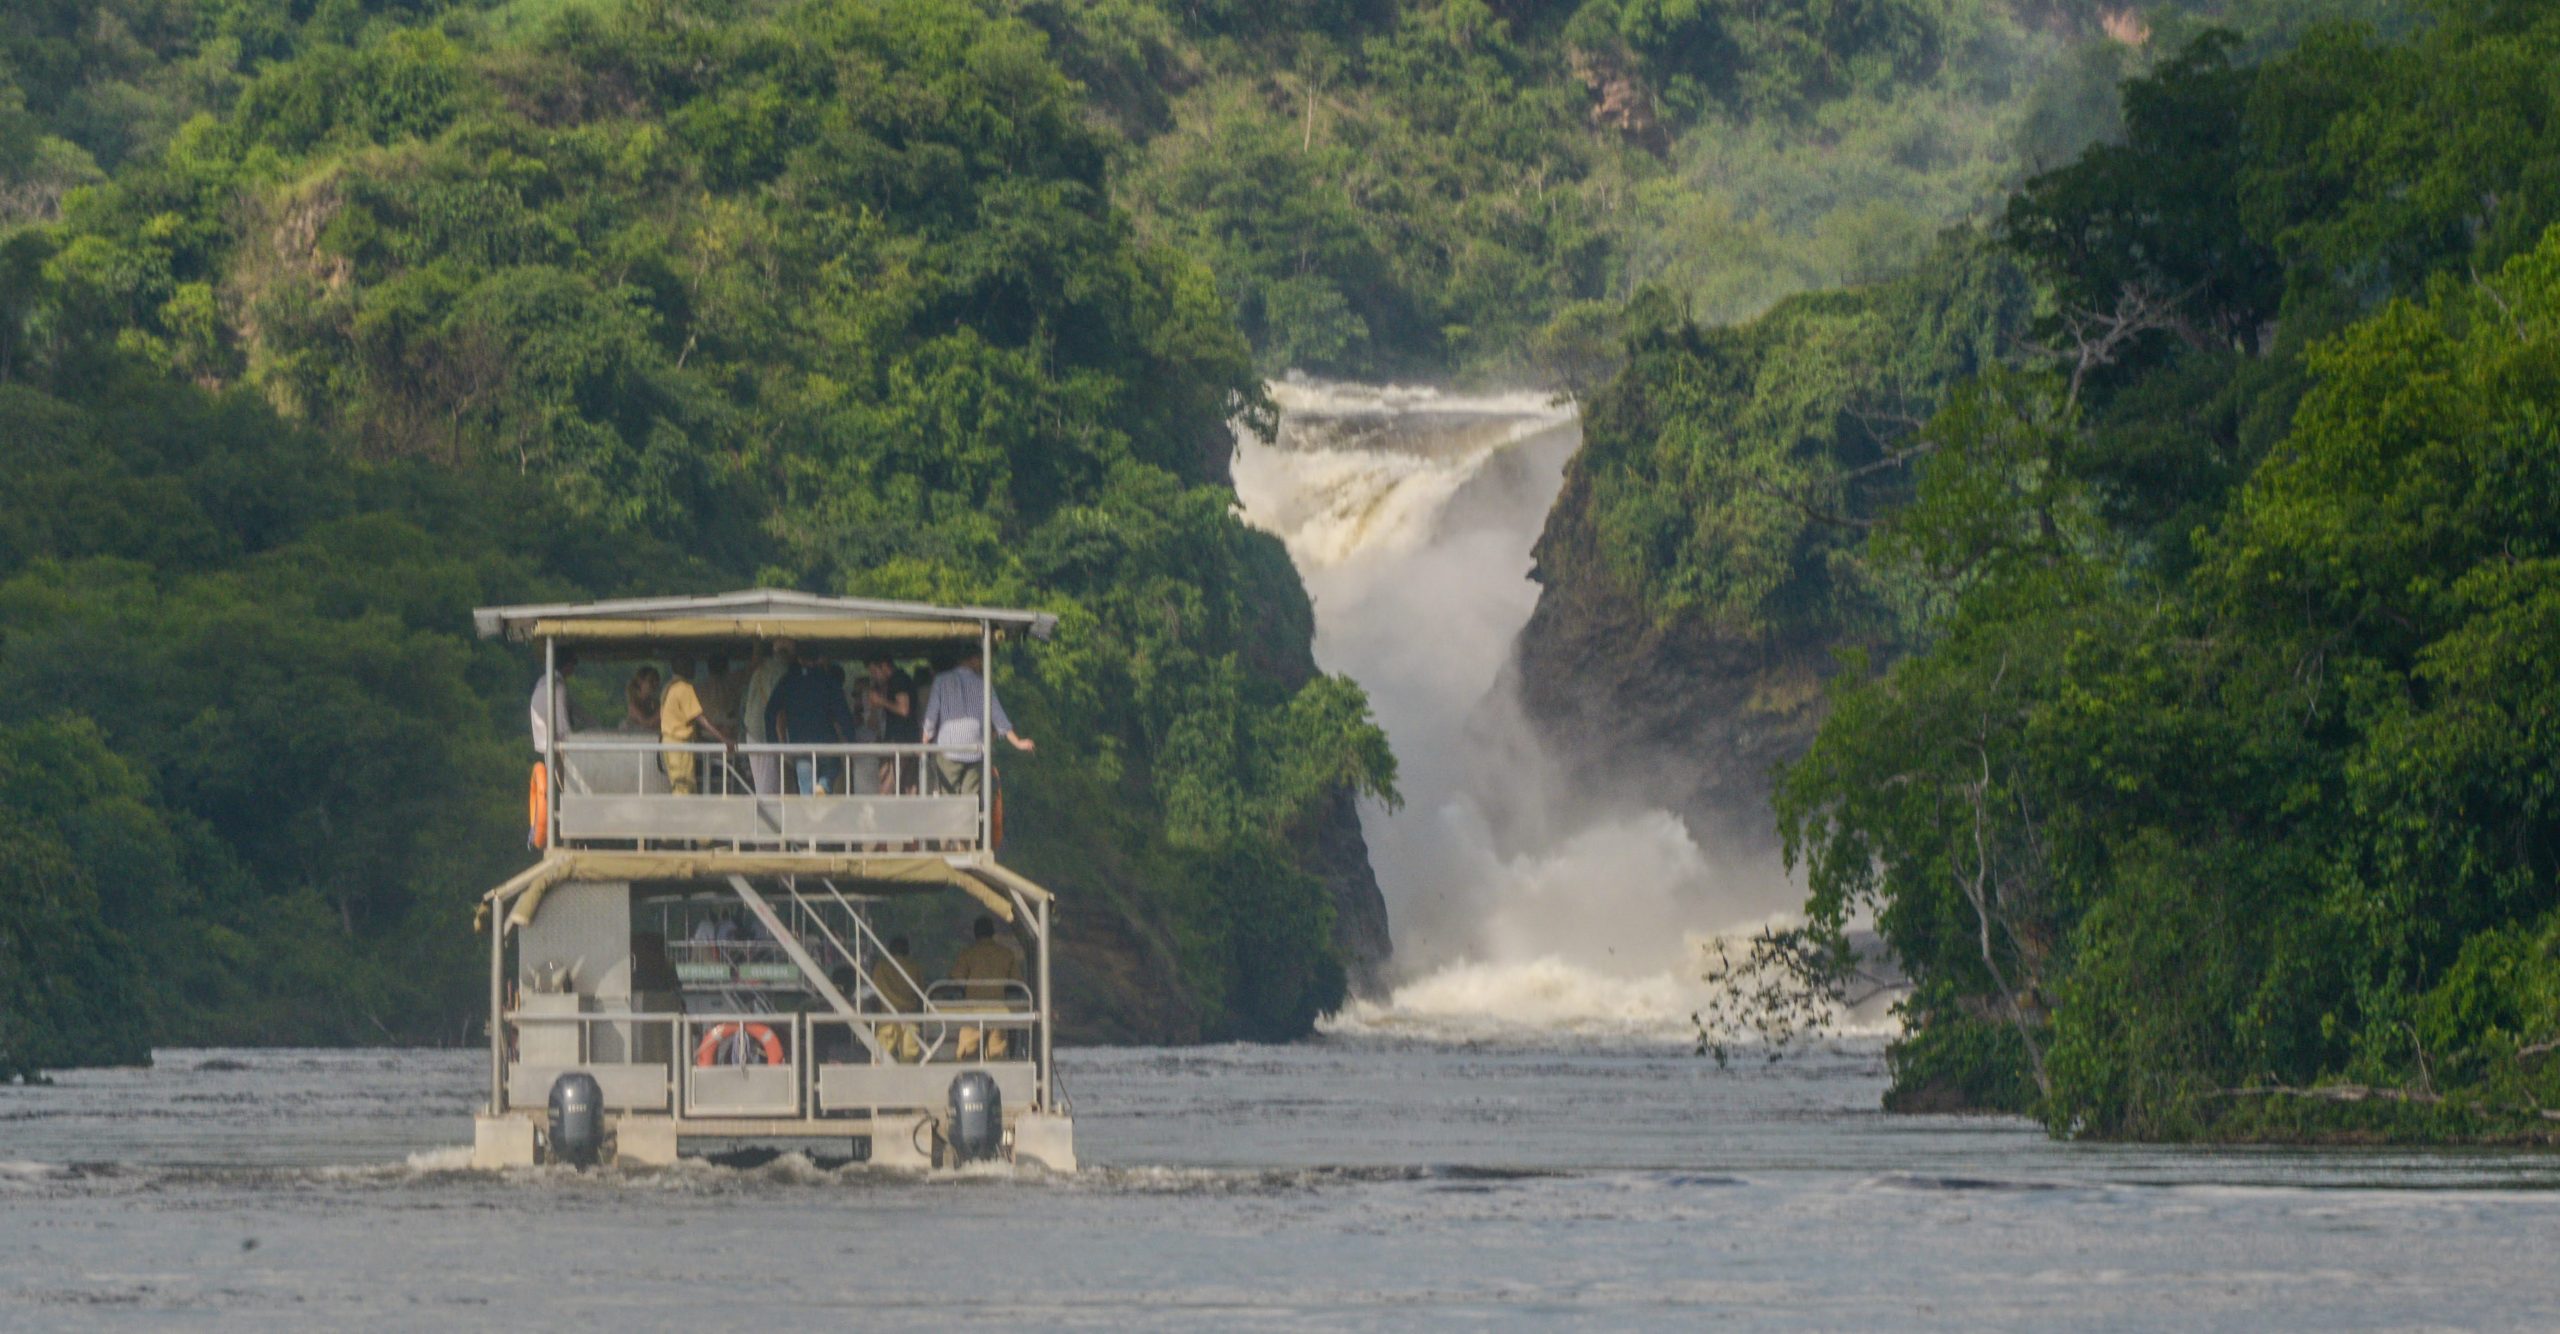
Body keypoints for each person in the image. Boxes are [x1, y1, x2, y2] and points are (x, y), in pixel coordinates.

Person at [920, 648, 1032, 797]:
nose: (981, 664)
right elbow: (998, 717)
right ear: (972, 659)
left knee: (947, 797)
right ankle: (969, 819)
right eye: (980, 659)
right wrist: (1017, 742)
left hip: (948, 748)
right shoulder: (983, 684)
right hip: (975, 749)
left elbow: (931, 715)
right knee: (970, 798)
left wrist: (924, 741)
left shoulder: (940, 680)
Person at [766, 651, 853, 794]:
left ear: (799, 658)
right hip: (826, 741)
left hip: (800, 743)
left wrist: (772, 741)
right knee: (832, 769)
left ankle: (808, 808)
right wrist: (851, 739)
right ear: (819, 659)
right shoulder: (828, 681)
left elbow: (770, 711)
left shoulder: (787, 681)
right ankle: (824, 786)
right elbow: (842, 713)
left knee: (805, 784)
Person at [948, 915, 1023, 1060]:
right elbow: (1017, 984)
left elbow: (956, 979)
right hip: (999, 1013)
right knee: (997, 1056)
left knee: (966, 1055)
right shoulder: (1006, 954)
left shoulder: (968, 954)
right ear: (992, 933)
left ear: (975, 933)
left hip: (973, 1012)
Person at [658, 656, 735, 795]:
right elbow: (700, 718)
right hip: (679, 744)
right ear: (682, 666)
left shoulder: (669, 686)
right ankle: (682, 816)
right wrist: (724, 739)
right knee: (684, 785)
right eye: (691, 664)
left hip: (668, 742)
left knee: (679, 784)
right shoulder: (684, 688)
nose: (694, 668)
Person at [857, 656, 916, 795]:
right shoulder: (895, 681)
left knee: (889, 784)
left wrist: (881, 701)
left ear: (884, 666)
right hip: (898, 740)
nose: (873, 676)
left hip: (901, 740)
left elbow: (903, 709)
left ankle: (886, 814)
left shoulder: (898, 680)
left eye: (874, 671)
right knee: (902, 784)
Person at [740, 641, 790, 797]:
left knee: (761, 782)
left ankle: (764, 816)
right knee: (771, 785)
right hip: (769, 734)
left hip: (752, 732)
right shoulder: (782, 671)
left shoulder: (758, 671)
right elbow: (779, 709)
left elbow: (744, 703)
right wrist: (782, 740)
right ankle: (769, 819)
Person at [528, 651, 591, 759]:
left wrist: (594, 725)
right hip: (556, 745)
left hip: (544, 743)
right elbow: (561, 723)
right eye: (573, 664)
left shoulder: (543, 684)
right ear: (568, 666)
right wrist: (569, 741)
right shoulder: (557, 688)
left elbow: (575, 709)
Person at [871, 935, 924, 1063]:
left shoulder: (880, 967)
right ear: (907, 950)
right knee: (909, 1059)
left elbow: (876, 990)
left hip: (887, 1019)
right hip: (909, 1018)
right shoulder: (914, 967)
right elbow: (921, 992)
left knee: (880, 1060)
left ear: (889, 950)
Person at [622, 666, 662, 732]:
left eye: (657, 681)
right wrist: (660, 714)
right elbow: (645, 723)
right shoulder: (634, 704)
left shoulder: (655, 703)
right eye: (651, 681)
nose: (655, 684)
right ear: (640, 681)